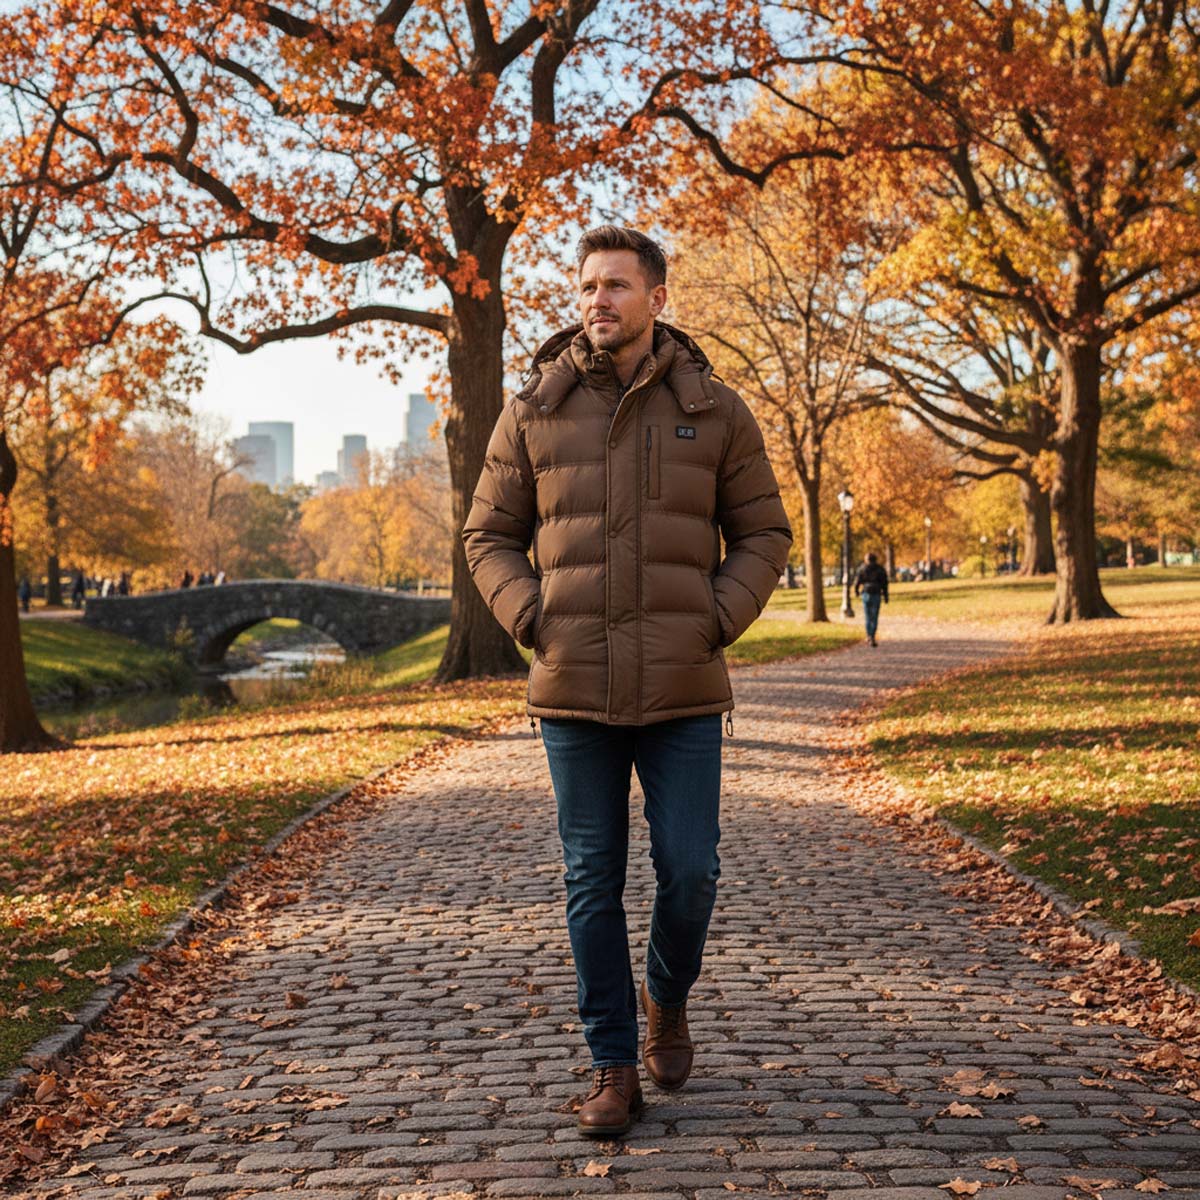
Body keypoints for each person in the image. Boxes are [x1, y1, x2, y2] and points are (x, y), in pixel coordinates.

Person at [462, 225, 792, 1138]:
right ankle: (612, 1062)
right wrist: (533, 618)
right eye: (585, 288)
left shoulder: (716, 409)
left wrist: (715, 619)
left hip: (684, 687)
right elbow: (486, 535)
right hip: (574, 690)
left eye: (615, 286)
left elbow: (764, 533)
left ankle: (666, 996)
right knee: (589, 879)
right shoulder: (533, 407)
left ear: (656, 297)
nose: (597, 301)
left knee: (691, 872)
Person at [853, 552, 890, 646]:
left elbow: (857, 581)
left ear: (866, 560)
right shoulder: (880, 569)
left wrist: (856, 591)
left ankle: (868, 635)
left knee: (867, 616)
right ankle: (872, 635)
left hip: (866, 593)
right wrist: (886, 596)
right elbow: (885, 583)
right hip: (876, 593)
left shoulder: (862, 568)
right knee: (874, 616)